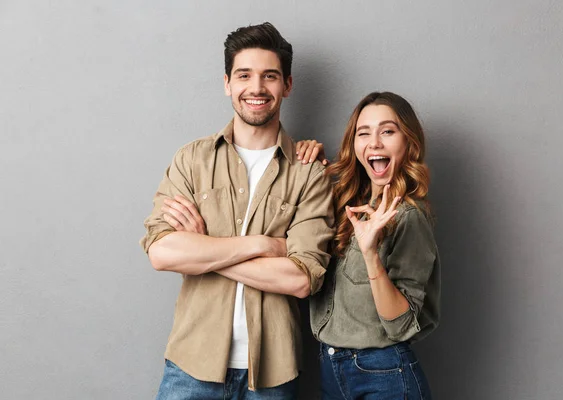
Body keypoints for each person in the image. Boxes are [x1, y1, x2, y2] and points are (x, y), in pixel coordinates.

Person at [140, 22, 335, 400]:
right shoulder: (192, 160)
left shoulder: (309, 171)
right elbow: (162, 252)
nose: (257, 88)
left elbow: (300, 279)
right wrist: (264, 244)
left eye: (270, 76)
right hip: (190, 364)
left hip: (273, 375)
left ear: (287, 86)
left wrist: (203, 248)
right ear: (228, 83)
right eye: (244, 75)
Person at [298, 91, 440, 399]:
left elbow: (402, 325)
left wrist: (371, 253)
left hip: (384, 374)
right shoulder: (346, 204)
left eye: (387, 131)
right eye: (364, 133)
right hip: (331, 368)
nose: (374, 143)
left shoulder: (409, 217)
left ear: (408, 142)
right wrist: (303, 160)